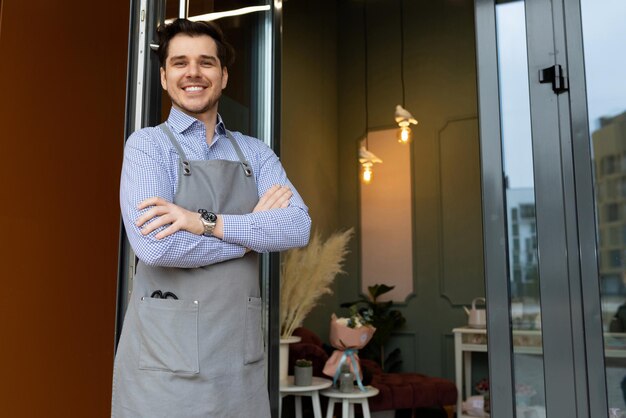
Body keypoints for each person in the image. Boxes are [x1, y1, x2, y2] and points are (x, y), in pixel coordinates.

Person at [112, 18, 311, 417]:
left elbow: (297, 226)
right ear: (165, 77)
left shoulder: (255, 153)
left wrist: (204, 222)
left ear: (223, 76)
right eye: (180, 62)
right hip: (163, 368)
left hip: (238, 366)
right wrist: (252, 233)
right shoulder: (147, 147)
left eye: (206, 62)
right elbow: (156, 245)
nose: (193, 73)